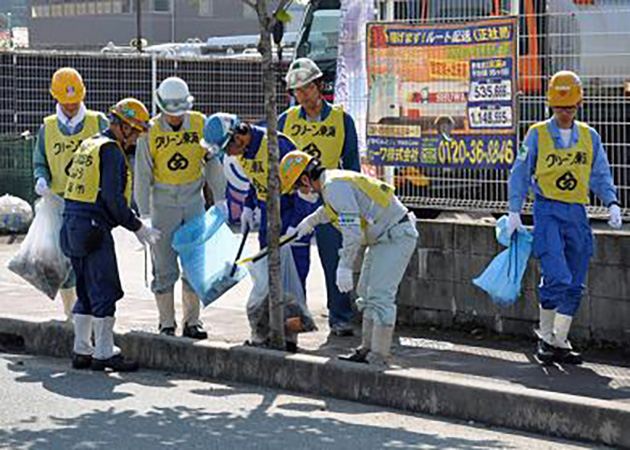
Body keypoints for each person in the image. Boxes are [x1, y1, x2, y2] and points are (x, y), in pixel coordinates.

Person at [507, 70, 622, 365]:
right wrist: (514, 209)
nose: (565, 113)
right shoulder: (537, 134)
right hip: (548, 211)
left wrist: (611, 202)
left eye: (569, 108)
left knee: (576, 281)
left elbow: (599, 173)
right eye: (560, 108)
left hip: (577, 213)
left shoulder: (589, 136)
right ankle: (546, 336)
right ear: (550, 105)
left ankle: (559, 339)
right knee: (557, 274)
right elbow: (520, 173)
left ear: (578, 105)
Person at [280, 151, 418, 367]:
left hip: (396, 236)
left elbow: (351, 231)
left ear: (306, 178)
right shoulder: (332, 184)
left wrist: (344, 266)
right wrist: (311, 221)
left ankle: (379, 355)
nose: (301, 192)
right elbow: (334, 211)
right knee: (366, 294)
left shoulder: (334, 187)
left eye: (299, 186)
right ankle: (366, 349)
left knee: (380, 295)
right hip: (384, 237)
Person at [60, 98, 160, 372]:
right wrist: (137, 226)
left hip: (71, 225)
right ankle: (104, 352)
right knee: (105, 289)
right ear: (125, 127)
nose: (137, 137)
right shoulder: (112, 152)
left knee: (85, 288)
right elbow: (113, 200)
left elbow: (72, 173)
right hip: (93, 228)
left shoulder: (90, 143)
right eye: (137, 131)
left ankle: (82, 349)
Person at [202, 113, 316, 351]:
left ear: (240, 134)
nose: (230, 154)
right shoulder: (243, 152)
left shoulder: (276, 144)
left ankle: (289, 339)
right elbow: (257, 182)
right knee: (265, 281)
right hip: (267, 219)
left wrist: (298, 224)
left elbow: (302, 186)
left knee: (291, 285)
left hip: (292, 219)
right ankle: (264, 335)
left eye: (229, 147)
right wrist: (249, 206)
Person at [134, 77, 227, 339]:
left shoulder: (199, 124)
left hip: (193, 201)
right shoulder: (149, 131)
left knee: (195, 262)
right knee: (163, 265)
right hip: (162, 204)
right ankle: (166, 321)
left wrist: (219, 197)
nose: (175, 117)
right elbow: (142, 175)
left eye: (180, 112)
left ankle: (193, 321)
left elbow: (211, 162)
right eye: (170, 112)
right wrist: (144, 216)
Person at [278, 57, 361, 337]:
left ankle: (340, 317)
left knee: (335, 259)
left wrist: (354, 202)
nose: (301, 96)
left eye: (306, 89)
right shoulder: (285, 120)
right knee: (293, 260)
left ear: (318, 86)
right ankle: (294, 316)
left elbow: (351, 165)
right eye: (296, 91)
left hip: (330, 200)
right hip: (296, 201)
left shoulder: (341, 120)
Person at [33, 67, 109, 321]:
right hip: (59, 203)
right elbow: (40, 161)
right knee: (66, 262)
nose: (70, 107)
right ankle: (72, 316)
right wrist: (41, 178)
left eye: (74, 102)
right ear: (56, 98)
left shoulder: (98, 122)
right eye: (65, 103)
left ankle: (93, 316)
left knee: (93, 261)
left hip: (91, 203)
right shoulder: (48, 127)